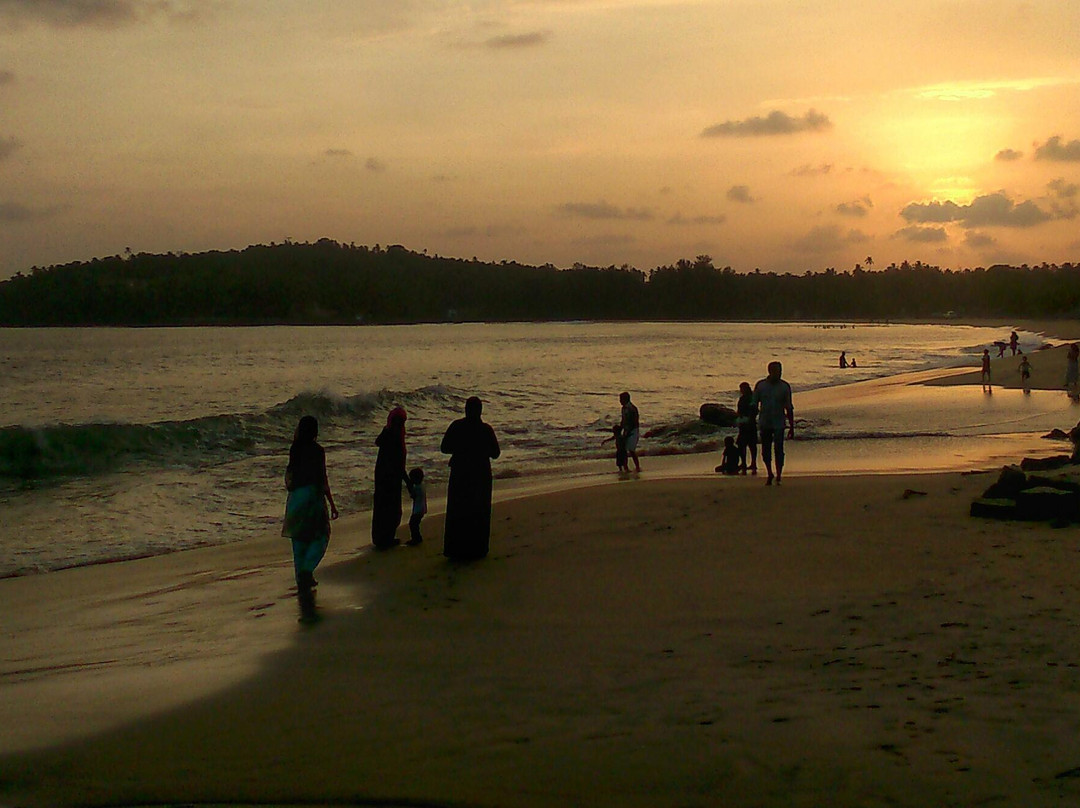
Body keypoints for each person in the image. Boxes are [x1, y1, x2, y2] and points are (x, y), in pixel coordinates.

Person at [281, 415, 338, 620]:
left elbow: (290, 475)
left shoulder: (294, 449)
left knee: (299, 539)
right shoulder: (318, 451)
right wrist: (331, 503)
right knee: (320, 535)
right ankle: (307, 571)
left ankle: (302, 579)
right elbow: (322, 478)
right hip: (312, 497)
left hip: (295, 498)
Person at [441, 397, 501, 561]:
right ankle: (478, 548)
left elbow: (444, 447)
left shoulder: (456, 426)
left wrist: (461, 448)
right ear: (480, 411)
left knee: (458, 510)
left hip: (460, 473)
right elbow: (496, 453)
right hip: (480, 474)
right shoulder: (486, 430)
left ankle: (456, 548)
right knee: (479, 510)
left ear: (466, 410)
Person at [372, 406, 411, 549]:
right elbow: (399, 465)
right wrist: (408, 483)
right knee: (393, 510)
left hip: (382, 476)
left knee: (382, 508)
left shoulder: (387, 434)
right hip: (391, 478)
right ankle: (386, 539)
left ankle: (381, 539)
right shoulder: (395, 437)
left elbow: (378, 442)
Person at [753, 361, 795, 486]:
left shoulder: (784, 387)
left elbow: (789, 407)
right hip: (765, 422)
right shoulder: (761, 386)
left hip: (779, 422)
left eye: (780, 371)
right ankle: (769, 472)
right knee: (766, 449)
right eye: (777, 371)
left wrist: (792, 426)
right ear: (770, 371)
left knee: (779, 449)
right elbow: (754, 404)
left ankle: (778, 474)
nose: (780, 373)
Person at [735, 381, 757, 474]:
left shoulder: (750, 399)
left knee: (747, 444)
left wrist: (749, 419)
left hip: (749, 424)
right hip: (745, 423)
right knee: (745, 444)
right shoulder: (746, 398)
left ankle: (751, 463)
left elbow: (755, 410)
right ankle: (747, 463)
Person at [619, 391, 641, 472]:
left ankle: (637, 466)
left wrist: (629, 431)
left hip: (633, 431)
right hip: (626, 430)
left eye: (621, 399)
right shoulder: (623, 409)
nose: (620, 401)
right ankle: (626, 467)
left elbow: (634, 421)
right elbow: (623, 420)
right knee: (624, 450)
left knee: (631, 449)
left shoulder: (632, 408)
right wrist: (621, 429)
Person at [406, 467, 427, 546]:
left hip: (418, 509)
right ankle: (417, 537)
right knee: (415, 524)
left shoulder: (417, 488)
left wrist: (409, 486)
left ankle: (416, 538)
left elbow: (413, 495)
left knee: (413, 524)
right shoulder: (422, 486)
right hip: (422, 508)